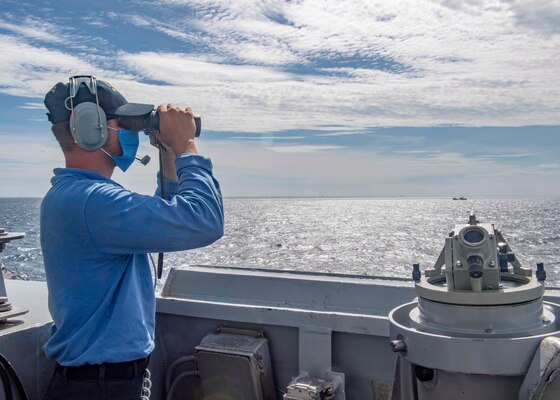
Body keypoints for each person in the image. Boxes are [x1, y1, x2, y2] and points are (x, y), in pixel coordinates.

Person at [41, 76, 224, 399]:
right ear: (91, 127)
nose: (130, 134)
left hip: (97, 383)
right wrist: (186, 147)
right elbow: (203, 220)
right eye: (122, 124)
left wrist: (167, 154)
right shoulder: (92, 203)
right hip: (100, 388)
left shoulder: (76, 197)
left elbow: (168, 212)